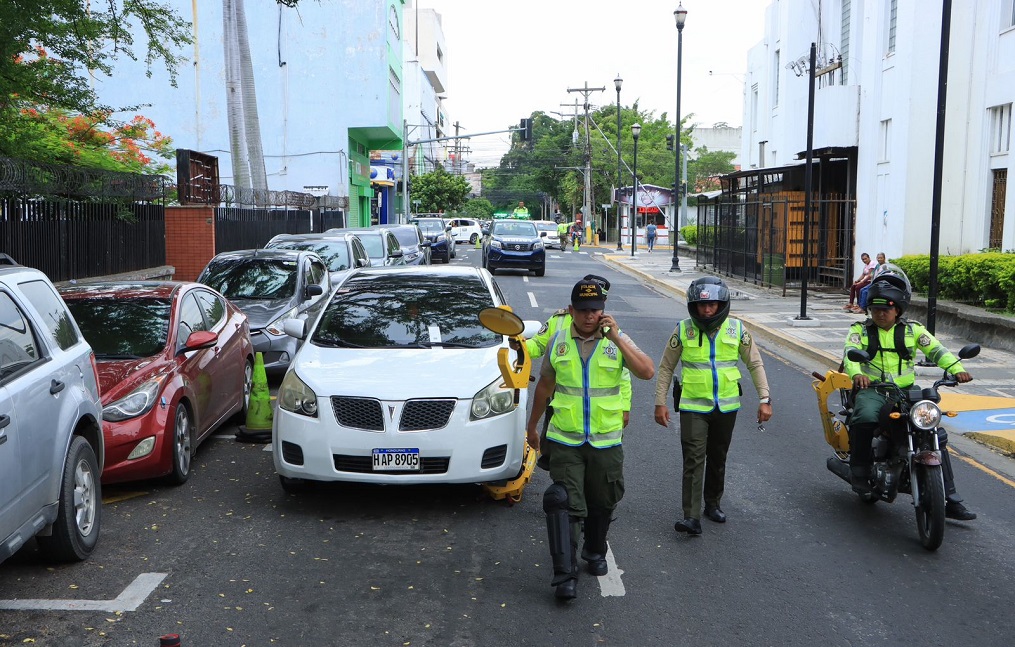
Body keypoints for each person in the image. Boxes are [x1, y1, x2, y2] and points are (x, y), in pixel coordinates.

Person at [527, 278, 655, 600]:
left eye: (595, 310)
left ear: (603, 311)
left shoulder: (617, 340)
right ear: (571, 311)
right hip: (566, 440)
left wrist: (617, 338)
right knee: (563, 502)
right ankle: (564, 574)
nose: (589, 316)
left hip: (606, 442)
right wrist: (533, 426)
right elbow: (544, 386)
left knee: (603, 501)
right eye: (582, 310)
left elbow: (646, 371)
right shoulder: (558, 342)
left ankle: (595, 551)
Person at [842, 266, 976, 520]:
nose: (881, 313)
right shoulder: (859, 330)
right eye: (876, 308)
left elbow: (937, 350)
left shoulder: (913, 331)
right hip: (873, 390)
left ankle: (950, 498)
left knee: (934, 430)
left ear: (898, 309)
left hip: (906, 392)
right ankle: (859, 471)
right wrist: (856, 374)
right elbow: (851, 354)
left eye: (887, 308)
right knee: (865, 416)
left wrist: (957, 369)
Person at [653, 276, 773, 536]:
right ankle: (691, 517)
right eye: (701, 306)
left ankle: (712, 503)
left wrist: (764, 399)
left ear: (723, 305)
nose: (707, 311)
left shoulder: (737, 330)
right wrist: (659, 402)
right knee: (694, 459)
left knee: (718, 458)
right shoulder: (683, 330)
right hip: (693, 407)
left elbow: (755, 364)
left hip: (727, 407)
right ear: (693, 306)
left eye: (713, 306)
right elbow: (666, 367)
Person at [525, 275, 632, 471]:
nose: (590, 314)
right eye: (584, 308)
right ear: (574, 307)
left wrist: (625, 405)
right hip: (561, 403)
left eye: (597, 306)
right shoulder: (558, 321)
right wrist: (517, 345)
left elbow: (622, 375)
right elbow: (537, 346)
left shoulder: (611, 332)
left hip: (600, 419)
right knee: (556, 463)